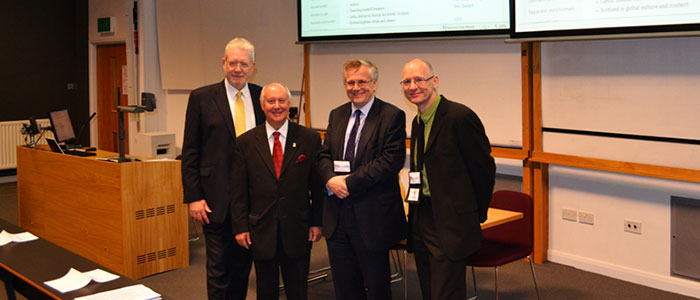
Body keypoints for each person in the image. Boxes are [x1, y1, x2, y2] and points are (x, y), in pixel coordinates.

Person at [401, 58, 496, 300]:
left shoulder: (459, 117)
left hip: (451, 221)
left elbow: (483, 169)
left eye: (419, 80)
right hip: (422, 214)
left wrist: (473, 215)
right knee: (428, 287)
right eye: (407, 81)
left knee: (447, 291)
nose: (413, 86)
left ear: (435, 81)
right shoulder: (418, 120)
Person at [181, 37, 264, 300]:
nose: (237, 69)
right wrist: (194, 196)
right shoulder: (202, 98)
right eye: (232, 63)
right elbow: (190, 150)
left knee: (242, 267)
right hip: (214, 199)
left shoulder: (262, 97)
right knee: (218, 269)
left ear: (253, 66)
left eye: (243, 64)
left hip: (251, 200)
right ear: (223, 63)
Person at [318, 59, 407, 300]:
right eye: (350, 82)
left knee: (377, 286)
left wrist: (347, 182)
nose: (355, 87)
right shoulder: (336, 115)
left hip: (371, 217)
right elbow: (324, 155)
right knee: (345, 287)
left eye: (362, 82)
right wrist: (329, 179)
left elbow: (390, 161)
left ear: (375, 83)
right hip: (337, 216)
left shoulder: (391, 116)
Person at [231, 83, 324, 300]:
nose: (276, 106)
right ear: (262, 105)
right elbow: (238, 190)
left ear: (289, 104)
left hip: (298, 229)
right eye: (271, 101)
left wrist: (317, 222)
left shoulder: (309, 139)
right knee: (265, 291)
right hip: (261, 230)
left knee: (298, 289)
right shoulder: (245, 142)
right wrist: (240, 227)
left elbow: (317, 187)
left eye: (281, 101)